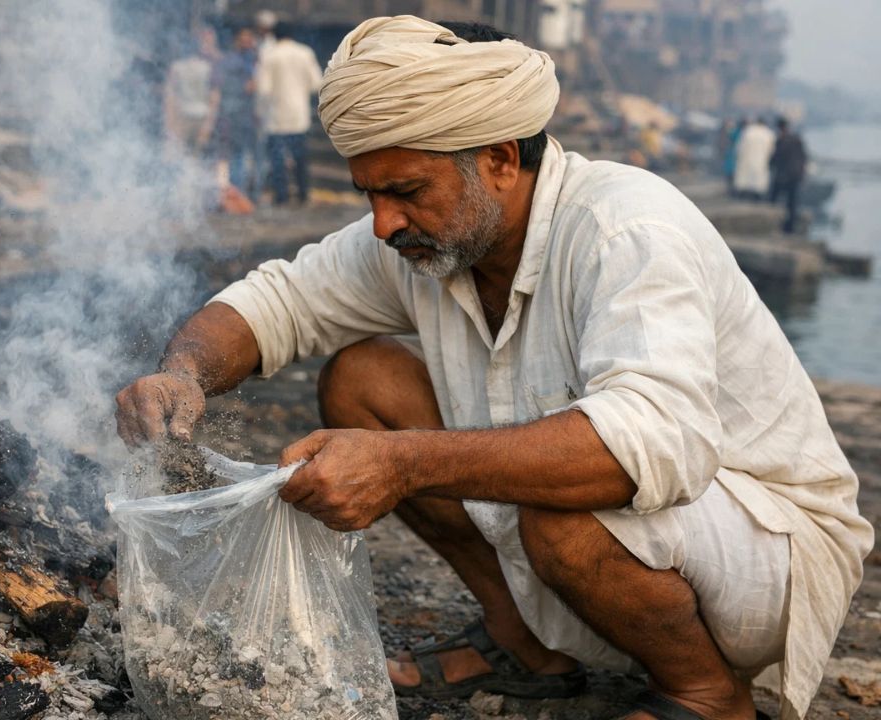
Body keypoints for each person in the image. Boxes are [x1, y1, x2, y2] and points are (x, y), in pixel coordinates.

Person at [115, 16, 872, 720]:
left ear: (501, 160)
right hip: (638, 538)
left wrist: (403, 464)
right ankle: (523, 639)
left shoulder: (626, 226)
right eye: (370, 194)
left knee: (562, 506)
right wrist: (186, 371)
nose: (383, 223)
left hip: (770, 549)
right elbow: (277, 303)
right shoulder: (427, 240)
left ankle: (705, 693)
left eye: (405, 191)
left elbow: (653, 441)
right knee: (360, 380)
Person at [256, 22, 323, 205]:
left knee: (277, 158)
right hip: (298, 115)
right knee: (300, 156)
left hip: (275, 117)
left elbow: (264, 89)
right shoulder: (305, 53)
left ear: (274, 35)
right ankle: (303, 194)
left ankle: (282, 196)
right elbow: (316, 83)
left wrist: (259, 111)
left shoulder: (269, 56)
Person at [213, 27, 262, 198]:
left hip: (250, 116)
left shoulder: (254, 59)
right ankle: (237, 193)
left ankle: (250, 194)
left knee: (252, 156)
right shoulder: (230, 61)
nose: (248, 42)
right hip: (235, 116)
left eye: (250, 38)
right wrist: (244, 87)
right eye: (244, 38)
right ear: (237, 40)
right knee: (237, 155)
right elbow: (223, 87)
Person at [164, 27, 220, 157]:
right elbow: (214, 97)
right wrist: (209, 123)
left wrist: (169, 122)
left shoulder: (176, 68)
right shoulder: (207, 68)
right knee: (197, 157)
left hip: (182, 115)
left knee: (180, 156)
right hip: (202, 115)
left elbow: (170, 97)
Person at [769, 117, 808, 234]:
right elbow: (804, 157)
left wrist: (770, 165)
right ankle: (789, 228)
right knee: (792, 203)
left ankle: (774, 224)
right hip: (795, 175)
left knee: (773, 199)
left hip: (784, 176)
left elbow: (777, 158)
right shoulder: (797, 139)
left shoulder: (781, 140)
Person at [732, 117, 776, 200]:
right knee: (759, 182)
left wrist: (739, 156)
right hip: (762, 160)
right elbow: (772, 150)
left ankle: (743, 196)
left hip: (747, 159)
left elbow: (740, 146)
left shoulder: (748, 132)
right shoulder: (768, 134)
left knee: (745, 180)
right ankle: (757, 197)